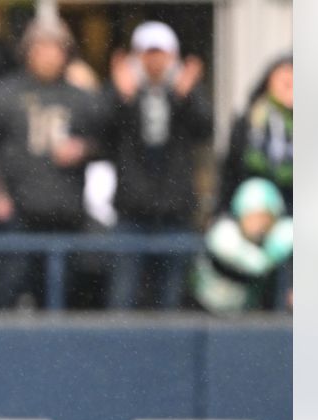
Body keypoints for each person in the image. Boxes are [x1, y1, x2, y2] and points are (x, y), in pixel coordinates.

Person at [0, 16, 105, 307]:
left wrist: (84, 149)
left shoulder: (82, 98)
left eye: (55, 48)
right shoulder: (5, 94)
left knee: (66, 298)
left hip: (68, 214)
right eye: (41, 47)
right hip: (17, 214)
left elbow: (109, 143)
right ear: (28, 51)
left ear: (67, 52)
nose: (48, 55)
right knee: (7, 292)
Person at [106, 21, 213, 309]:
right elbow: (104, 135)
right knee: (123, 297)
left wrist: (186, 97)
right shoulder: (123, 91)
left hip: (175, 211)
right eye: (148, 53)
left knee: (171, 298)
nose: (155, 60)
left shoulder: (185, 91)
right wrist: (121, 99)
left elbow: (205, 130)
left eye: (161, 53)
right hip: (132, 211)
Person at [190, 177, 292, 315]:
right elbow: (258, 265)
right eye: (252, 216)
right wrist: (281, 242)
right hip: (203, 312)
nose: (258, 225)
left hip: (250, 316)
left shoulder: (276, 234)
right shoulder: (223, 234)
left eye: (265, 217)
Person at [219, 54, 292, 214]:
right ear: (268, 83)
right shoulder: (250, 121)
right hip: (253, 210)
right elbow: (231, 168)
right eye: (284, 81)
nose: (290, 86)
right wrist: (222, 211)